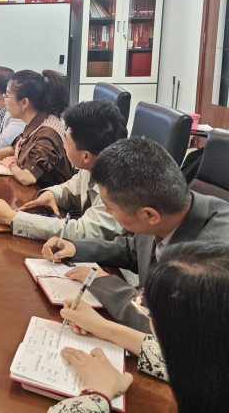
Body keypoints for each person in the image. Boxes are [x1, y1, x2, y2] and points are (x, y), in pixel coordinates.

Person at [41, 136, 229, 332]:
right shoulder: (163, 208)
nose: (106, 210)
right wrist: (76, 247)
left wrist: (101, 282)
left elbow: (166, 326)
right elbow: (134, 250)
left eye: (110, 206)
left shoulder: (212, 263)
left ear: (149, 215)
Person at [47, 242, 229, 413]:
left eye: (149, 308)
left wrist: (97, 393)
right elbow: (177, 357)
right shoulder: (213, 361)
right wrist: (101, 326)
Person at [0, 100, 129, 241]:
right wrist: (53, 194)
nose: (63, 145)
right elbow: (71, 189)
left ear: (86, 156)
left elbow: (81, 232)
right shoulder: (94, 163)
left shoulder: (119, 188)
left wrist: (12, 218)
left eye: (66, 140)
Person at [0, 69, 72, 188]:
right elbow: (16, 148)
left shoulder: (46, 133)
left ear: (24, 102)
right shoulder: (36, 119)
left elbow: (27, 177)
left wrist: (11, 165)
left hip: (43, 195)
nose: (5, 101)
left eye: (7, 95)